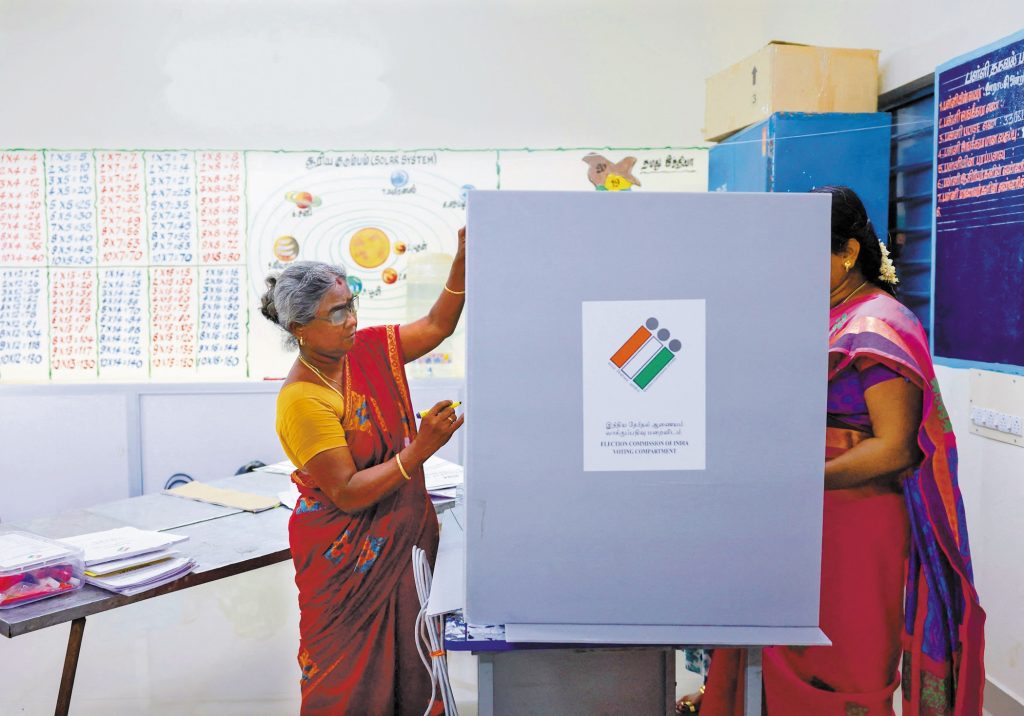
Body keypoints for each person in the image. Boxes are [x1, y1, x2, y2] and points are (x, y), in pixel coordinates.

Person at [696, 187, 985, 715]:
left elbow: (895, 448)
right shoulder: (824, 315)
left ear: (848, 252)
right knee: (777, 647)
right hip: (799, 517)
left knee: (842, 659)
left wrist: (798, 478)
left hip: (855, 525)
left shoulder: (880, 323)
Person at [260, 227, 467, 715]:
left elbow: (437, 325)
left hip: (406, 542)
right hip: (344, 560)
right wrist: (421, 448)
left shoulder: (368, 350)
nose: (351, 319)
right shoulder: (303, 399)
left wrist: (464, 258)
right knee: (348, 684)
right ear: (300, 328)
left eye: (351, 304)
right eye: (337, 313)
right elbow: (348, 493)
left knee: (415, 669)